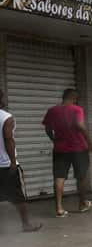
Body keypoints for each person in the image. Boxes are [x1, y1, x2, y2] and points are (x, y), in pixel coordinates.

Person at [42, 88, 92, 216]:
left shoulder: (52, 110)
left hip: (60, 149)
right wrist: (90, 143)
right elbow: (80, 125)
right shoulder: (77, 109)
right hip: (78, 148)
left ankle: (59, 208)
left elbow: (48, 128)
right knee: (81, 176)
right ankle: (82, 204)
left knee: (59, 177)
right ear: (74, 98)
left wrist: (53, 139)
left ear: (63, 97)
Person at [1, 89, 41, 232]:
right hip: (5, 165)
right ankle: (26, 225)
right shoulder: (6, 117)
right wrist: (13, 161)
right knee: (18, 197)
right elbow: (8, 139)